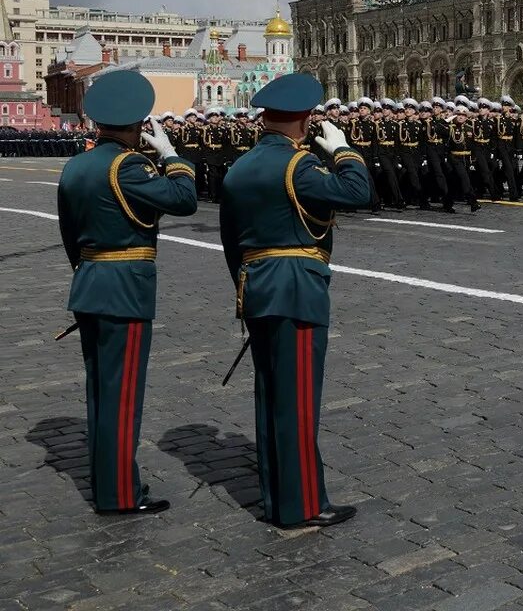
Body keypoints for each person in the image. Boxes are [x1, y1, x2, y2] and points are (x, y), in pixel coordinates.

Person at [219, 72, 372, 529]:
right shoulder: (298, 165)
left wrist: (247, 291)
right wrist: (342, 150)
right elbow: (357, 192)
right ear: (304, 122)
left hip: (258, 286)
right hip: (296, 289)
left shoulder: (241, 167)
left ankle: (278, 498)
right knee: (299, 401)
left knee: (270, 397)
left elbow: (231, 243)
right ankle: (303, 505)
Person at [56, 69, 198, 515]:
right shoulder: (129, 164)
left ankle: (106, 483)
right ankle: (119, 495)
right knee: (122, 396)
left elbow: (68, 234)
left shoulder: (77, 164)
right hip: (125, 292)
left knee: (100, 392)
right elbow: (183, 199)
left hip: (89, 284)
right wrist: (172, 154)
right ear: (137, 123)